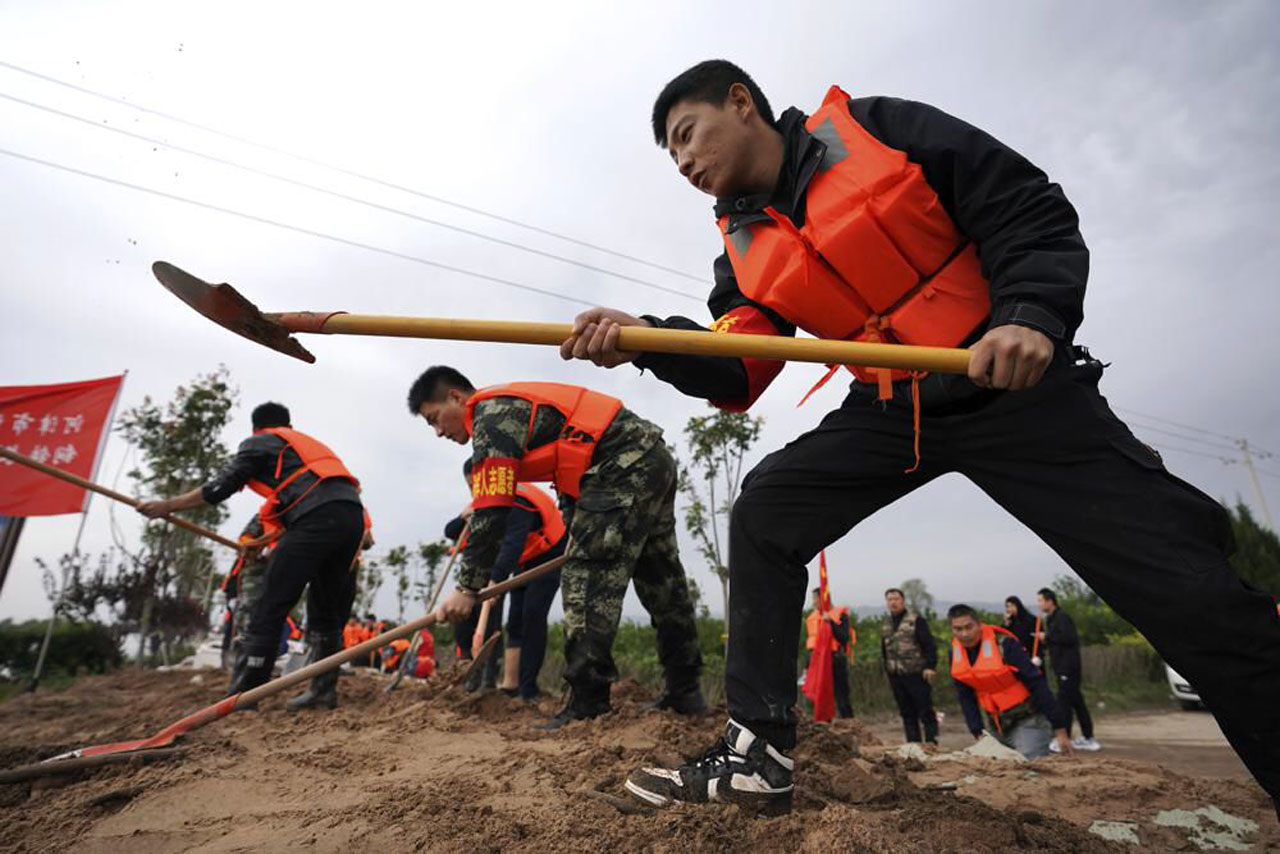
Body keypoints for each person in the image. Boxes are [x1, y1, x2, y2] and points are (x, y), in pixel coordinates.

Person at [554, 60, 1279, 817]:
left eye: (686, 136)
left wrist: (1030, 313)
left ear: (740, 103)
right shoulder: (740, 246)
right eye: (670, 156)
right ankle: (756, 754)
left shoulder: (877, 130)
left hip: (1015, 389)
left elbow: (1024, 204)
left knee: (1191, 592)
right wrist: (645, 341)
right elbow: (739, 363)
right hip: (892, 410)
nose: (684, 163)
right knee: (766, 508)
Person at [407, 366, 705, 727]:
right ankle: (684, 692)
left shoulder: (491, 415)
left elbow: (492, 509)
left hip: (621, 464)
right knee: (661, 577)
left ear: (456, 397)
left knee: (586, 583)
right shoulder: (510, 407)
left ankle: (587, 702)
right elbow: (571, 467)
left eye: (435, 419)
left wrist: (467, 586)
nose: (439, 432)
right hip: (649, 457)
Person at [138, 401, 364, 710]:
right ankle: (323, 692)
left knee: (270, 605)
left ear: (256, 428)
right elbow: (310, 504)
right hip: (352, 517)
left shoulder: (261, 441)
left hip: (316, 517)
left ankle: (246, 695)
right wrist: (264, 542)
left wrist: (168, 506)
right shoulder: (304, 450)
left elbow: (220, 487)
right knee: (325, 613)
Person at [947, 604, 1071, 759]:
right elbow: (965, 696)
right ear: (952, 630)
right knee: (992, 770)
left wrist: (1060, 729)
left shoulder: (1005, 645)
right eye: (958, 629)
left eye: (969, 627)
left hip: (1028, 720)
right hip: (996, 726)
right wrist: (977, 732)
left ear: (979, 625)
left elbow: (1037, 683)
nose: (965, 634)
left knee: (1030, 767)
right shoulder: (955, 653)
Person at [1037, 588, 1100, 752]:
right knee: (1077, 702)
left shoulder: (1062, 618)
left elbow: (1069, 638)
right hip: (1062, 667)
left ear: (1050, 601)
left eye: (1041, 600)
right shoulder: (1051, 619)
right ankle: (1088, 737)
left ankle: (1063, 739)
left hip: (1068, 667)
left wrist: (1047, 637)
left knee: (1063, 703)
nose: (1039, 604)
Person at [880, 588, 938, 745]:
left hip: (916, 673)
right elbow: (884, 650)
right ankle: (914, 745)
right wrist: (887, 670)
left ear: (903, 601)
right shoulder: (886, 624)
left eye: (896, 599)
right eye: (890, 599)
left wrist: (930, 666)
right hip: (896, 675)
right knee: (907, 713)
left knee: (925, 711)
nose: (893, 602)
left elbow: (929, 645)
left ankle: (932, 743)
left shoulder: (916, 620)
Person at [804, 587, 853, 718]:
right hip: (816, 661)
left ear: (824, 598)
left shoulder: (840, 614)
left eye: (816, 598)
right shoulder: (812, 618)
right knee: (818, 695)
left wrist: (830, 623)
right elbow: (810, 642)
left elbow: (844, 638)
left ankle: (847, 723)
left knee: (841, 695)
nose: (814, 602)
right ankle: (823, 723)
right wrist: (807, 664)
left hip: (835, 659)